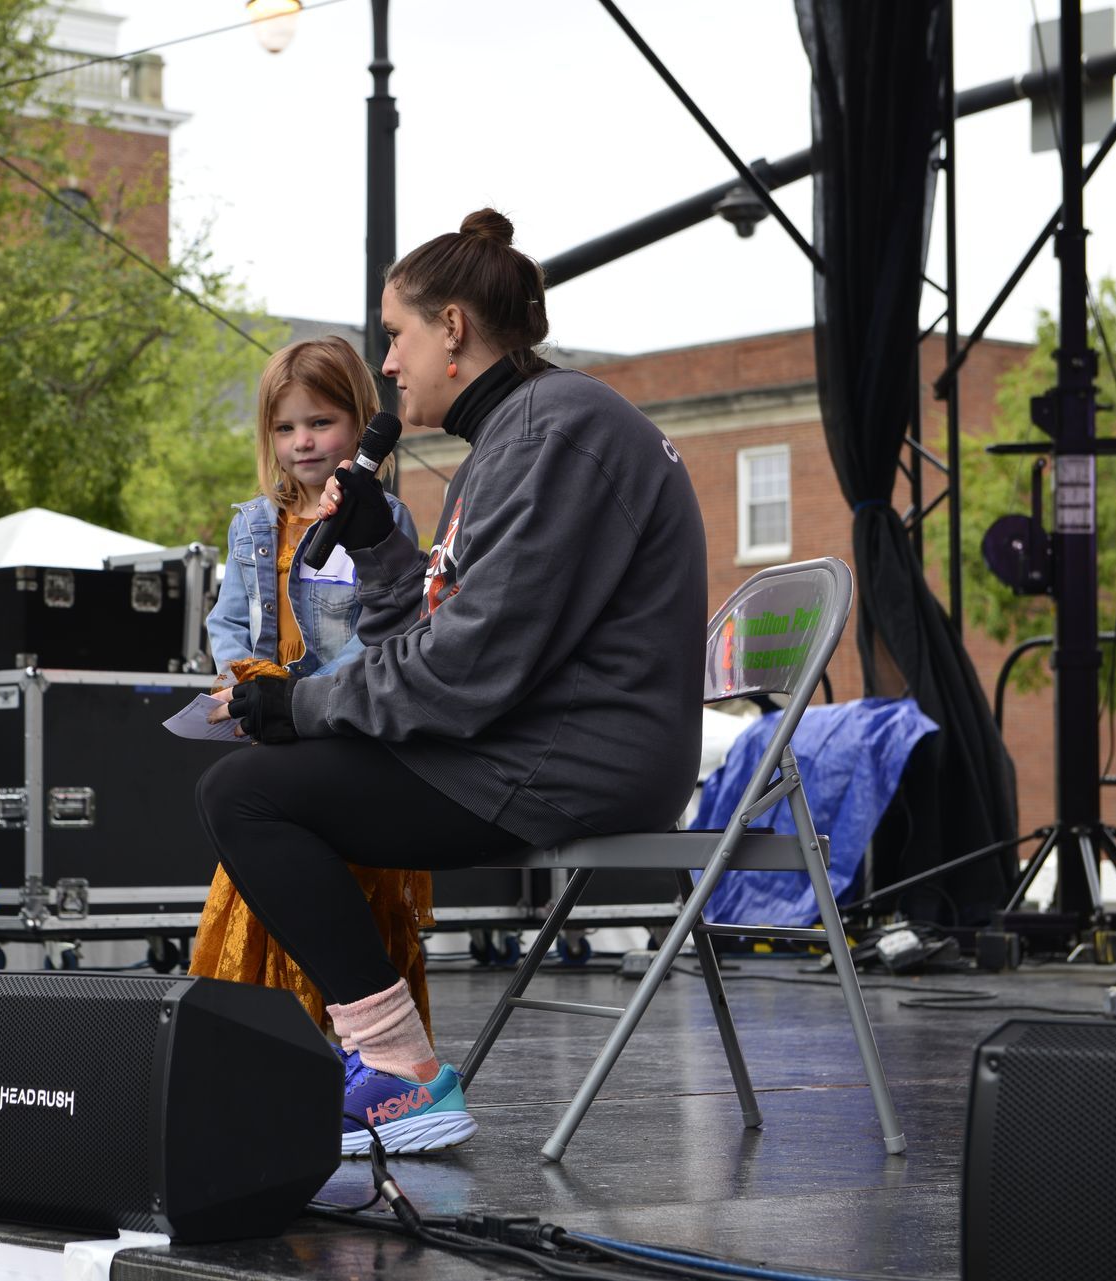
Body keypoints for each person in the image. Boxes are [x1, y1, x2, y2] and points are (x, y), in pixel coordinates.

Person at [200, 209, 707, 1157]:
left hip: (570, 761)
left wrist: (298, 703)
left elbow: (463, 676)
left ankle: (397, 1070)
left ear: (454, 330)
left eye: (396, 335)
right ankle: (380, 1059)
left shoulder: (556, 435)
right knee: (276, 770)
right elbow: (439, 642)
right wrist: (383, 552)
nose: (388, 364)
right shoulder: (517, 438)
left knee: (248, 793)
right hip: (535, 740)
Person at [194, 336, 426, 1035]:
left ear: (360, 424)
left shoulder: (385, 520)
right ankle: (263, 1054)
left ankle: (358, 1049)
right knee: (255, 881)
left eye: (321, 423)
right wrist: (244, 680)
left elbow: (382, 632)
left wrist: (307, 699)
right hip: (274, 720)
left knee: (345, 890)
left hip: (342, 726)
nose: (302, 442)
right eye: (286, 427)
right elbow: (229, 621)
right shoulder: (253, 526)